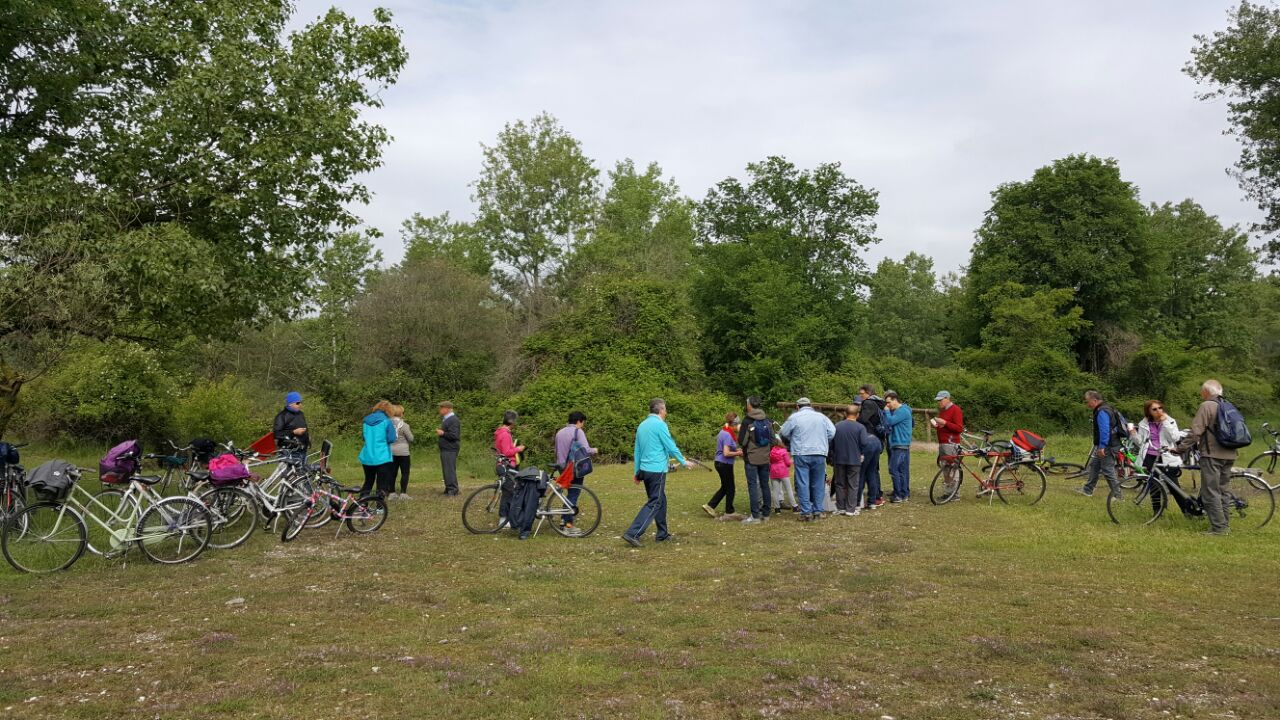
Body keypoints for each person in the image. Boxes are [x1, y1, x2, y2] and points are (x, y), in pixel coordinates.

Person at [622, 398, 693, 547]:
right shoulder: (660, 425)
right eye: (665, 409)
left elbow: (637, 451)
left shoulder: (642, 425)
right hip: (656, 470)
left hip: (645, 470)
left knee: (661, 500)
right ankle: (632, 533)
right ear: (660, 410)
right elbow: (670, 445)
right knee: (655, 502)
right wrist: (683, 461)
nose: (666, 412)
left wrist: (637, 472)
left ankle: (662, 534)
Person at [1176, 379, 1237, 536]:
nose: (1200, 395)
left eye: (1201, 392)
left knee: (1210, 492)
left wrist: (1180, 448)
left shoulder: (1206, 406)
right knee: (1223, 490)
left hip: (1212, 455)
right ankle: (1224, 524)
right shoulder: (1228, 405)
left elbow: (1196, 432)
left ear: (1206, 392)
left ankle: (1219, 528)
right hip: (1229, 454)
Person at [778, 397, 836, 521]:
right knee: (818, 482)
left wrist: (793, 439)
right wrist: (823, 441)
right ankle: (818, 511)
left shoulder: (794, 417)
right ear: (811, 406)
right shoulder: (822, 417)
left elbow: (784, 432)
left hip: (801, 452)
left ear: (798, 406)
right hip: (819, 452)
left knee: (803, 482)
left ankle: (806, 513)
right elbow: (832, 432)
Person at [1135, 399, 1183, 515]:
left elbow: (1175, 438)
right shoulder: (1144, 423)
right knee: (1153, 485)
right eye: (1154, 409)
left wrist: (1165, 422)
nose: (1158, 411)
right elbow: (1141, 442)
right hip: (1150, 457)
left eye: (1160, 408)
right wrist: (1132, 434)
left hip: (1166, 456)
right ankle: (1157, 511)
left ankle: (1186, 510)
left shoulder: (1170, 421)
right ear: (1148, 412)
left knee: (1173, 486)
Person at [555, 411, 598, 531]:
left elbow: (557, 452)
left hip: (562, 467)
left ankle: (565, 519)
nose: (582, 425)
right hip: (573, 467)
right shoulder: (578, 431)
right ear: (579, 421)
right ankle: (567, 523)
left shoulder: (560, 432)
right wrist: (595, 450)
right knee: (574, 493)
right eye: (583, 422)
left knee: (569, 492)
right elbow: (586, 449)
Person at [1076, 390, 1124, 499]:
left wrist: (1102, 446)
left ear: (1095, 400)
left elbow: (1104, 430)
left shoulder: (1102, 411)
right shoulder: (1109, 407)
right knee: (1095, 465)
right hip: (1111, 443)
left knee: (1107, 470)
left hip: (1108, 446)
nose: (1087, 404)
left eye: (1088, 401)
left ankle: (1118, 496)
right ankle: (1087, 490)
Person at [736, 397, 774, 523]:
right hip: (765, 458)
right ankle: (766, 514)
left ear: (749, 405)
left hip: (751, 458)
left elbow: (742, 441)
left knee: (753, 485)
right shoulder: (767, 419)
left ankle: (755, 516)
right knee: (765, 485)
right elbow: (773, 440)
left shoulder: (747, 420)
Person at [829, 404, 870, 516]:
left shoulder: (837, 426)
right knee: (853, 484)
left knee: (839, 484)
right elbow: (865, 443)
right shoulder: (860, 427)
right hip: (854, 459)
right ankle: (850, 509)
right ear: (857, 415)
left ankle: (840, 507)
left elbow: (831, 444)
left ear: (845, 414)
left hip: (839, 459)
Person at [703, 413, 742, 518]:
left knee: (726, 487)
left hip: (721, 463)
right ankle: (729, 511)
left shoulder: (724, 430)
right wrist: (739, 453)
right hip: (724, 464)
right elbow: (726, 453)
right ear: (734, 424)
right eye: (738, 424)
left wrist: (736, 450)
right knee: (730, 488)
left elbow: (728, 448)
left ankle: (710, 505)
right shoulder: (728, 434)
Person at [358, 400, 398, 498]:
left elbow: (364, 437)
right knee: (382, 483)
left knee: (368, 481)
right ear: (389, 410)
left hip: (367, 456)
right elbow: (391, 438)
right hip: (382, 456)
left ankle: (362, 505)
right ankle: (379, 507)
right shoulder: (387, 422)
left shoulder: (365, 421)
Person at [856, 384, 888, 508]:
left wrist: (854, 416)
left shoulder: (869, 403)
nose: (860, 396)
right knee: (873, 470)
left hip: (870, 440)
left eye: (862, 393)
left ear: (868, 393)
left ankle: (860, 501)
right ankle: (875, 499)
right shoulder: (879, 402)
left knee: (865, 471)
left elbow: (863, 419)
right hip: (878, 440)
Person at [881, 391, 913, 503]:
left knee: (894, 469)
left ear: (895, 400)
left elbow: (890, 422)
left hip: (900, 444)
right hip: (901, 444)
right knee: (902, 470)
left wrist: (886, 412)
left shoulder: (902, 411)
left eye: (889, 402)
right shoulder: (902, 410)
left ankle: (899, 495)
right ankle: (904, 494)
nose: (887, 405)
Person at [272, 391, 310, 464]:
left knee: (303, 474)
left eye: (301, 402)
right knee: (289, 475)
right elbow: (276, 434)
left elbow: (305, 429)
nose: (300, 405)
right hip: (289, 452)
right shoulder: (281, 416)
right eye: (298, 403)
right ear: (290, 404)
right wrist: (293, 432)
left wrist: (308, 441)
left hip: (302, 450)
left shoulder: (300, 414)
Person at [388, 405, 414, 500]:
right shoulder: (405, 425)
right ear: (401, 413)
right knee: (405, 472)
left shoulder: (387, 424)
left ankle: (391, 493)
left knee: (392, 472)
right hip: (403, 452)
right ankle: (403, 493)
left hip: (391, 451)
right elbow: (411, 438)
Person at [436, 401, 461, 496]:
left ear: (447, 408)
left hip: (450, 448)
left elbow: (455, 435)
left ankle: (453, 490)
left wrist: (442, 433)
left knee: (449, 469)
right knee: (447, 469)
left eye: (441, 408)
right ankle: (448, 488)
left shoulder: (453, 420)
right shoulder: (447, 419)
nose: (440, 410)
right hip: (446, 448)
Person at [768, 437, 796, 512]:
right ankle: (794, 506)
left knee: (775, 491)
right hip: (783, 472)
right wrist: (792, 461)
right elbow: (788, 463)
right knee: (789, 489)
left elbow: (770, 462)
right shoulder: (783, 451)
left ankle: (777, 508)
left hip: (773, 472)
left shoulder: (771, 452)